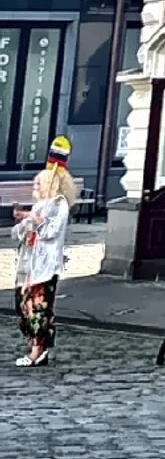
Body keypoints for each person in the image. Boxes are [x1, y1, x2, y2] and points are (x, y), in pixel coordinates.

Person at [13, 134, 75, 368]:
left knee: (38, 307)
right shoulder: (41, 205)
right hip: (29, 264)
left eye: (39, 183)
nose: (35, 187)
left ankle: (37, 351)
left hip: (44, 266)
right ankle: (35, 347)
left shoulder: (59, 205)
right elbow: (19, 232)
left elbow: (50, 232)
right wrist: (24, 221)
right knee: (23, 305)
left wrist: (33, 219)